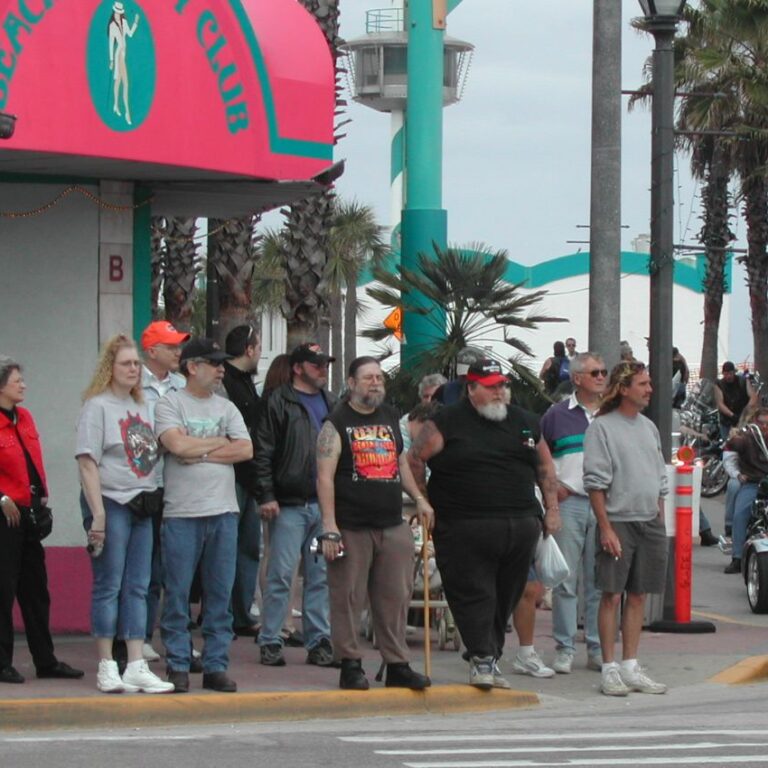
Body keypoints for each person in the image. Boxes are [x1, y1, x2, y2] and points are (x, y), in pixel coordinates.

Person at [408, 358, 560, 689]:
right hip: (464, 523)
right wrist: (424, 501)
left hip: (520, 523)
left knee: (506, 594)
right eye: (491, 387)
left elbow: (546, 468)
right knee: (473, 592)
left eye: (503, 385)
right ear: (471, 388)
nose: (499, 392)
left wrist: (551, 510)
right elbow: (416, 459)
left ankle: (488, 654)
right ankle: (481, 657)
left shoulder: (524, 421)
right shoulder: (446, 420)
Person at [317, 356, 432, 690]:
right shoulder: (335, 423)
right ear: (351, 383)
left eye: (379, 377)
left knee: (395, 597)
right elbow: (324, 477)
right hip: (351, 526)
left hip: (391, 522)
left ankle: (396, 664)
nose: (376, 382)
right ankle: (350, 664)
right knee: (348, 598)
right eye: (368, 377)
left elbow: (400, 463)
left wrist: (420, 499)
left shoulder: (389, 416)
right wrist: (329, 526)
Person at [76, 334, 174, 694]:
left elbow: (149, 453)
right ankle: (106, 664)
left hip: (142, 503)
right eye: (126, 364)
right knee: (109, 584)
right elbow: (87, 462)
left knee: (138, 584)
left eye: (136, 364)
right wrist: (97, 516)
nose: (133, 370)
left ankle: (135, 662)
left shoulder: (144, 406)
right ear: (110, 369)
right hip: (111, 502)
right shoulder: (97, 407)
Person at [154, 338, 253, 693]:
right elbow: (176, 446)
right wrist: (218, 443)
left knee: (219, 594)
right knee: (178, 593)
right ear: (192, 367)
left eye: (222, 363)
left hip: (224, 512)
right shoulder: (169, 404)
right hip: (182, 513)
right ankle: (178, 664)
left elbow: (245, 449)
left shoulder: (226, 407)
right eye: (213, 363)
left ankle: (215, 665)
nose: (221, 369)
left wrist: (202, 452)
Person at [583, 360, 668, 697]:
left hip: (649, 520)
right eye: (643, 384)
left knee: (638, 595)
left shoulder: (648, 427)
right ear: (624, 388)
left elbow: (659, 476)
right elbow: (595, 484)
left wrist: (658, 515)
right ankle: (609, 669)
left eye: (649, 383)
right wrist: (605, 528)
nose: (649, 389)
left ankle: (631, 665)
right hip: (617, 520)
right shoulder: (601, 428)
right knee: (611, 594)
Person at [0, 356, 83, 685]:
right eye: (16, 380)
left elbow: (31, 460)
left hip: (30, 510)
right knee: (3, 590)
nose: (23, 385)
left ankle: (45, 660)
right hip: (5, 514)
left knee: (36, 591)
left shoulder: (25, 418)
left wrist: (43, 497)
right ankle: (2, 661)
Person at [254, 343, 337, 668]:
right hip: (289, 502)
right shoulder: (278, 400)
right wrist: (267, 494)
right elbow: (263, 450)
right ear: (298, 367)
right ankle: (271, 638)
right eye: (316, 364)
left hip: (322, 503)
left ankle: (319, 640)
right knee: (281, 574)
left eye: (325, 364)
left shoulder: (332, 402)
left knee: (320, 577)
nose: (323, 369)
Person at [540, 352, 606, 674]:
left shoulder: (611, 414)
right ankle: (565, 648)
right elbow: (540, 459)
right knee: (566, 581)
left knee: (598, 581)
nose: (601, 377)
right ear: (577, 378)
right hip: (571, 502)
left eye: (604, 372)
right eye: (595, 372)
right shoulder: (555, 415)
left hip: (605, 506)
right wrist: (552, 491)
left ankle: (596, 647)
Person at [139, 320, 190, 662]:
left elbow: (186, 434)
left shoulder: (182, 386)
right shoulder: (133, 384)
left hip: (175, 485)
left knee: (173, 567)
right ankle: (139, 636)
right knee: (144, 568)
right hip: (143, 485)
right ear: (152, 350)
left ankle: (175, 637)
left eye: (178, 346)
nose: (177, 352)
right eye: (171, 347)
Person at [221, 325, 262, 637]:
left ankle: (242, 613)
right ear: (249, 349)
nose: (259, 353)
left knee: (248, 548)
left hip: (250, 478)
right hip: (229, 477)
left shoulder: (249, 384)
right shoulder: (225, 384)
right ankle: (222, 614)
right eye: (258, 346)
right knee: (224, 548)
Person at [722, 408, 768, 574]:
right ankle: (737, 558)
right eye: (761, 423)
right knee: (740, 514)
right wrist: (738, 475)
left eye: (767, 424)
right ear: (754, 422)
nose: (764, 427)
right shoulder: (745, 439)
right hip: (753, 483)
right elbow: (728, 453)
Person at [715, 361, 756, 440]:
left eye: (730, 373)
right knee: (727, 445)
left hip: (743, 420)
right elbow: (720, 404)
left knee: (746, 442)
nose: (728, 376)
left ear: (734, 372)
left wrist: (746, 411)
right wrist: (732, 415)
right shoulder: (719, 384)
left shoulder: (743, 381)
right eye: (726, 374)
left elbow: (753, 397)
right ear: (723, 373)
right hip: (727, 422)